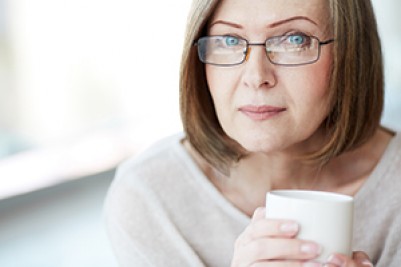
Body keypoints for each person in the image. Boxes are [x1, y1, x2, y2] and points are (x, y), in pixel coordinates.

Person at [103, 0, 401, 266]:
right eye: (229, 40)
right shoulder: (150, 200)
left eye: (294, 40)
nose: (256, 77)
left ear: (352, 53)